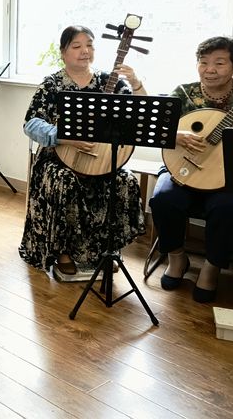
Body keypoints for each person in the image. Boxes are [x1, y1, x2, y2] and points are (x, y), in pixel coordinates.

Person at [20, 25, 145, 276]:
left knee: (125, 180)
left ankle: (106, 249)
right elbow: (31, 124)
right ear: (63, 52)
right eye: (76, 46)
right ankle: (63, 251)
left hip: (102, 157)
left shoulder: (108, 81)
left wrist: (135, 83)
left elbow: (139, 114)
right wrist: (64, 137)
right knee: (64, 181)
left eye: (89, 45)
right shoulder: (52, 85)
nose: (84, 51)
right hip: (58, 157)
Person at [150, 36, 233, 303]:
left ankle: (211, 268)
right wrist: (176, 135)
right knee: (163, 199)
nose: (210, 69)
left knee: (227, 208)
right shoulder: (183, 93)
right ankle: (177, 258)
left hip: (225, 175)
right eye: (203, 62)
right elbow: (157, 128)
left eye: (219, 63)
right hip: (182, 165)